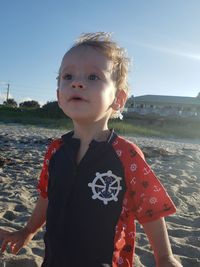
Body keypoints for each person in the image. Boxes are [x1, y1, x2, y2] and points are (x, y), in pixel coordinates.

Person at [0, 32, 182, 267]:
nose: (77, 82)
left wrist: (164, 257)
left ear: (118, 99)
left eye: (94, 76)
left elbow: (151, 210)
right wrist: (26, 231)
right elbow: (47, 196)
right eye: (68, 76)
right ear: (58, 95)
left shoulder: (126, 154)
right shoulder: (56, 150)